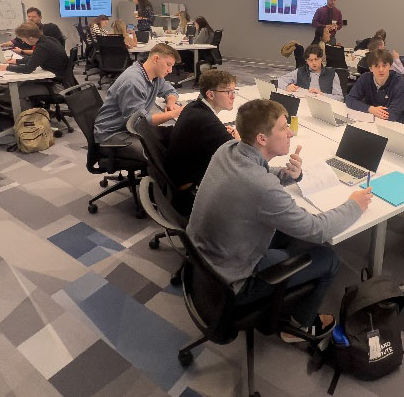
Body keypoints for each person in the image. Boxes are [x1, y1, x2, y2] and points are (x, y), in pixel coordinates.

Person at [187, 99, 374, 340]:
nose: (291, 133)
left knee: (291, 235)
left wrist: (285, 175)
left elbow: (257, 175)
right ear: (262, 139)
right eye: (284, 128)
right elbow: (317, 229)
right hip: (233, 281)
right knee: (328, 257)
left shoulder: (228, 149)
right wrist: (354, 205)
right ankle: (299, 326)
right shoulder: (263, 187)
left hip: (206, 264)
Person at [165, 70, 239, 215]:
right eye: (228, 92)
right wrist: (238, 137)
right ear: (210, 94)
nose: (233, 96)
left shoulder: (193, 106)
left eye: (234, 91)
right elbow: (241, 155)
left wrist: (222, 134)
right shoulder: (208, 122)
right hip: (189, 191)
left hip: (177, 176)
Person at [93, 43, 181, 150]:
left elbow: (171, 91)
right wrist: (174, 114)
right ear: (156, 59)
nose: (170, 70)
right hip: (112, 134)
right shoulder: (133, 82)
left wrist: (171, 103)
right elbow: (139, 123)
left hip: (130, 127)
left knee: (176, 137)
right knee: (160, 151)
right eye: (168, 64)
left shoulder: (154, 76)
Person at [0, 22, 73, 107]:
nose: (23, 41)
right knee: (20, 85)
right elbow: (36, 57)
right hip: (56, 80)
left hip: (55, 86)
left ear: (30, 38)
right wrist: (17, 61)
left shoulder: (42, 47)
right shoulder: (49, 39)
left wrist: (7, 68)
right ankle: (36, 106)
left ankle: (31, 114)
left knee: (16, 94)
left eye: (23, 39)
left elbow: (28, 69)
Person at [346, 48, 404, 121]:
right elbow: (350, 99)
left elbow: (393, 114)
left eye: (384, 66)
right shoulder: (365, 78)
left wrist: (369, 110)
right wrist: (370, 109)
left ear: (390, 67)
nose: (381, 70)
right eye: (376, 66)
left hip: (391, 124)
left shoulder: (401, 83)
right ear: (371, 69)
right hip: (369, 121)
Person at [277, 45, 343, 101]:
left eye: (316, 59)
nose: (314, 63)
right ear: (306, 61)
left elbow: (340, 98)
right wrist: (287, 87)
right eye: (310, 60)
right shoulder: (300, 71)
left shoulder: (331, 74)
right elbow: (280, 80)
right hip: (303, 103)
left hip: (324, 104)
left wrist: (322, 95)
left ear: (321, 59)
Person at [0, 7, 66, 54]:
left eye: (34, 17)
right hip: (22, 53)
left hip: (34, 56)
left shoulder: (46, 30)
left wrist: (22, 51)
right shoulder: (26, 29)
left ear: (40, 17)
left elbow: (42, 51)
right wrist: (3, 45)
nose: (31, 19)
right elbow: (16, 40)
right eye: (29, 16)